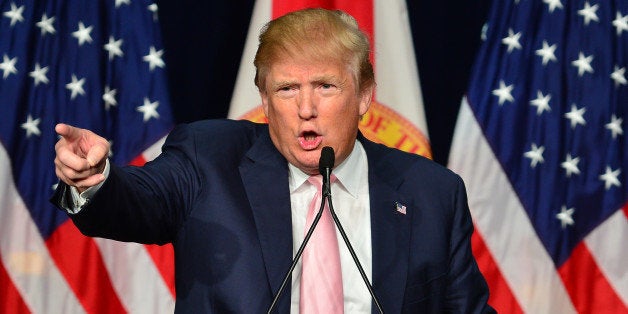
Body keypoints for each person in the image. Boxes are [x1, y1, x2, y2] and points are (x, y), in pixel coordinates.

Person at [52, 8, 494, 313]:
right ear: (264, 100)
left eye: (325, 86)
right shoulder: (209, 158)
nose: (306, 108)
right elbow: (138, 202)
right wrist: (95, 180)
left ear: (364, 96)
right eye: (286, 89)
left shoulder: (432, 192)